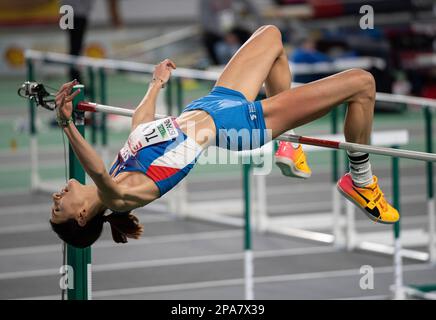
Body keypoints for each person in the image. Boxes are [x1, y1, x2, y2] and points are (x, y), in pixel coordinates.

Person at [50, 25, 399, 248]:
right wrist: (67, 124)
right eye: (58, 208)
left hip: (212, 103)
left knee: (272, 36)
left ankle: (289, 144)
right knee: (363, 83)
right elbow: (93, 169)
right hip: (240, 126)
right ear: (81, 217)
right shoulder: (120, 197)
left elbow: (140, 128)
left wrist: (156, 83)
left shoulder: (116, 172)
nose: (57, 196)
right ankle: (362, 181)